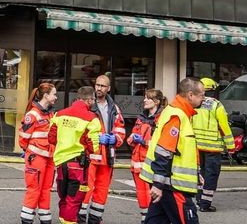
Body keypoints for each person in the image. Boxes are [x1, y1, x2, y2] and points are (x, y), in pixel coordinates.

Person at [140, 77, 205, 224]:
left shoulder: (176, 112)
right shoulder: (177, 116)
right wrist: (158, 185)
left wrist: (196, 173)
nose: (204, 98)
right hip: (173, 185)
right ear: (190, 95)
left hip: (167, 183)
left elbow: (180, 151)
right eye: (202, 94)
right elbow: (164, 151)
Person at [51, 85, 102, 224]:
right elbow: (93, 146)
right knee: (74, 199)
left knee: (64, 196)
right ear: (90, 100)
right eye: (93, 100)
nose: (94, 102)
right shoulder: (92, 118)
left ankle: (64, 220)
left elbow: (51, 138)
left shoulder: (59, 114)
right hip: (78, 165)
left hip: (61, 163)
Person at [83, 74, 126, 224]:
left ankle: (95, 219)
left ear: (108, 88)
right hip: (90, 154)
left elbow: (120, 129)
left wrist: (115, 138)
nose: (99, 88)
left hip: (107, 155)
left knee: (102, 190)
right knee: (85, 188)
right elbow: (80, 129)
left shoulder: (114, 108)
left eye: (102, 86)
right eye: (97, 85)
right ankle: (80, 218)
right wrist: (96, 138)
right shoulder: (88, 105)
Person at [192, 77, 236, 212]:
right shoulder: (216, 105)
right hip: (213, 148)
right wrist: (231, 146)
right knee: (211, 175)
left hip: (196, 147)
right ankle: (205, 204)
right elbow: (224, 127)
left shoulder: (193, 104)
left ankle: (199, 200)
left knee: (200, 174)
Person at [19, 82, 57, 224]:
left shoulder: (50, 114)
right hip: (36, 158)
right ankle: (27, 219)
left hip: (49, 157)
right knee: (34, 188)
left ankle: (45, 217)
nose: (56, 97)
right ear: (46, 96)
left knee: (46, 189)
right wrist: (28, 152)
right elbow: (23, 138)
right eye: (54, 94)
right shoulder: (32, 114)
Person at [130, 89, 166, 220]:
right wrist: (132, 138)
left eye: (148, 98)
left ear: (156, 102)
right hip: (137, 163)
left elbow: (161, 144)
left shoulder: (161, 119)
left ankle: (151, 219)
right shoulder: (141, 118)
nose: (144, 100)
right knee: (142, 195)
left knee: (152, 195)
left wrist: (144, 142)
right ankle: (145, 219)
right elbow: (132, 135)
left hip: (151, 163)